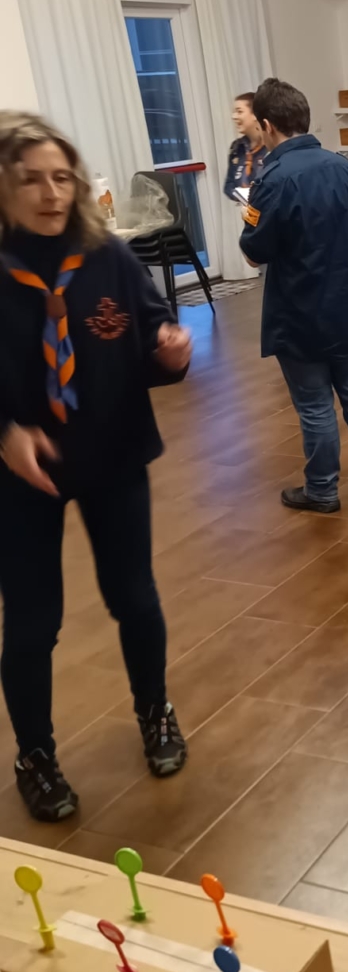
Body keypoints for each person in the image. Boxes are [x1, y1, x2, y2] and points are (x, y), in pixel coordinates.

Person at [0, 112, 192, 822]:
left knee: (134, 597)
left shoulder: (106, 256)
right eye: (31, 180)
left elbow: (150, 339)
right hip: (21, 474)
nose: (51, 193)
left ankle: (156, 712)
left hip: (112, 453)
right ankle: (36, 755)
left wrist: (170, 352)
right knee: (32, 623)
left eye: (62, 177)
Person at [239, 77, 348, 515]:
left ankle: (322, 490)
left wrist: (248, 215)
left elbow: (254, 252)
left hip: (302, 310)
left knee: (315, 403)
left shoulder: (273, 179)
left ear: (267, 126)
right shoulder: (345, 168)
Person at [223, 92, 265, 204]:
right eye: (234, 112)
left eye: (239, 111)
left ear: (255, 114)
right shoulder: (237, 148)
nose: (234, 117)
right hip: (248, 211)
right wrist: (242, 196)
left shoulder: (271, 146)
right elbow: (228, 186)